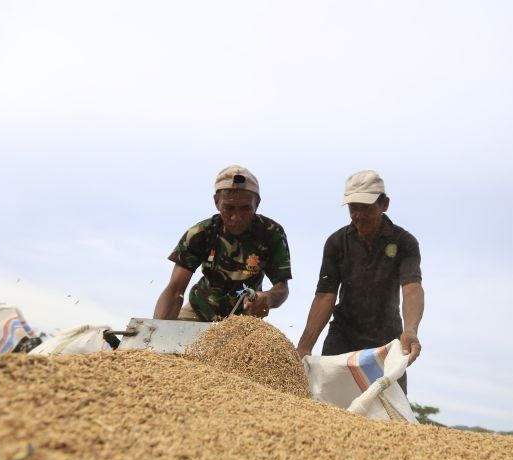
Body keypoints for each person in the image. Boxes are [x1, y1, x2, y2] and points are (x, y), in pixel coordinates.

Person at [296, 170, 424, 392]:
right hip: (343, 337)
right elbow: (325, 294)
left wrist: (410, 330)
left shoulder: (404, 242)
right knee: (326, 401)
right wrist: (305, 345)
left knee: (388, 405)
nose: (358, 215)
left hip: (386, 340)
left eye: (366, 207)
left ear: (384, 204)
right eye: (353, 208)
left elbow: (411, 288)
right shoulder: (337, 243)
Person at [154, 165, 291, 321]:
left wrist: (268, 299)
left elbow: (282, 288)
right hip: (200, 309)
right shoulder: (201, 233)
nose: (236, 217)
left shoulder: (271, 234)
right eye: (228, 208)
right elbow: (175, 289)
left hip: (245, 317)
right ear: (217, 202)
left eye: (245, 208)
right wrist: (156, 332)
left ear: (257, 203)